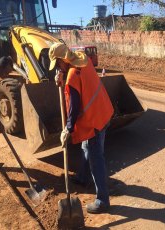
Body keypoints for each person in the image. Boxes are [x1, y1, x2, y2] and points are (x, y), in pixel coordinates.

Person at [49, 43, 114, 214]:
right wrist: (61, 76)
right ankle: (83, 177)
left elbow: (74, 107)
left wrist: (67, 130)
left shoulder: (72, 77)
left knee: (95, 158)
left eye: (57, 64)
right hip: (103, 112)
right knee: (87, 147)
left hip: (94, 121)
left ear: (62, 60)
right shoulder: (82, 59)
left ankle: (103, 201)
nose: (57, 67)